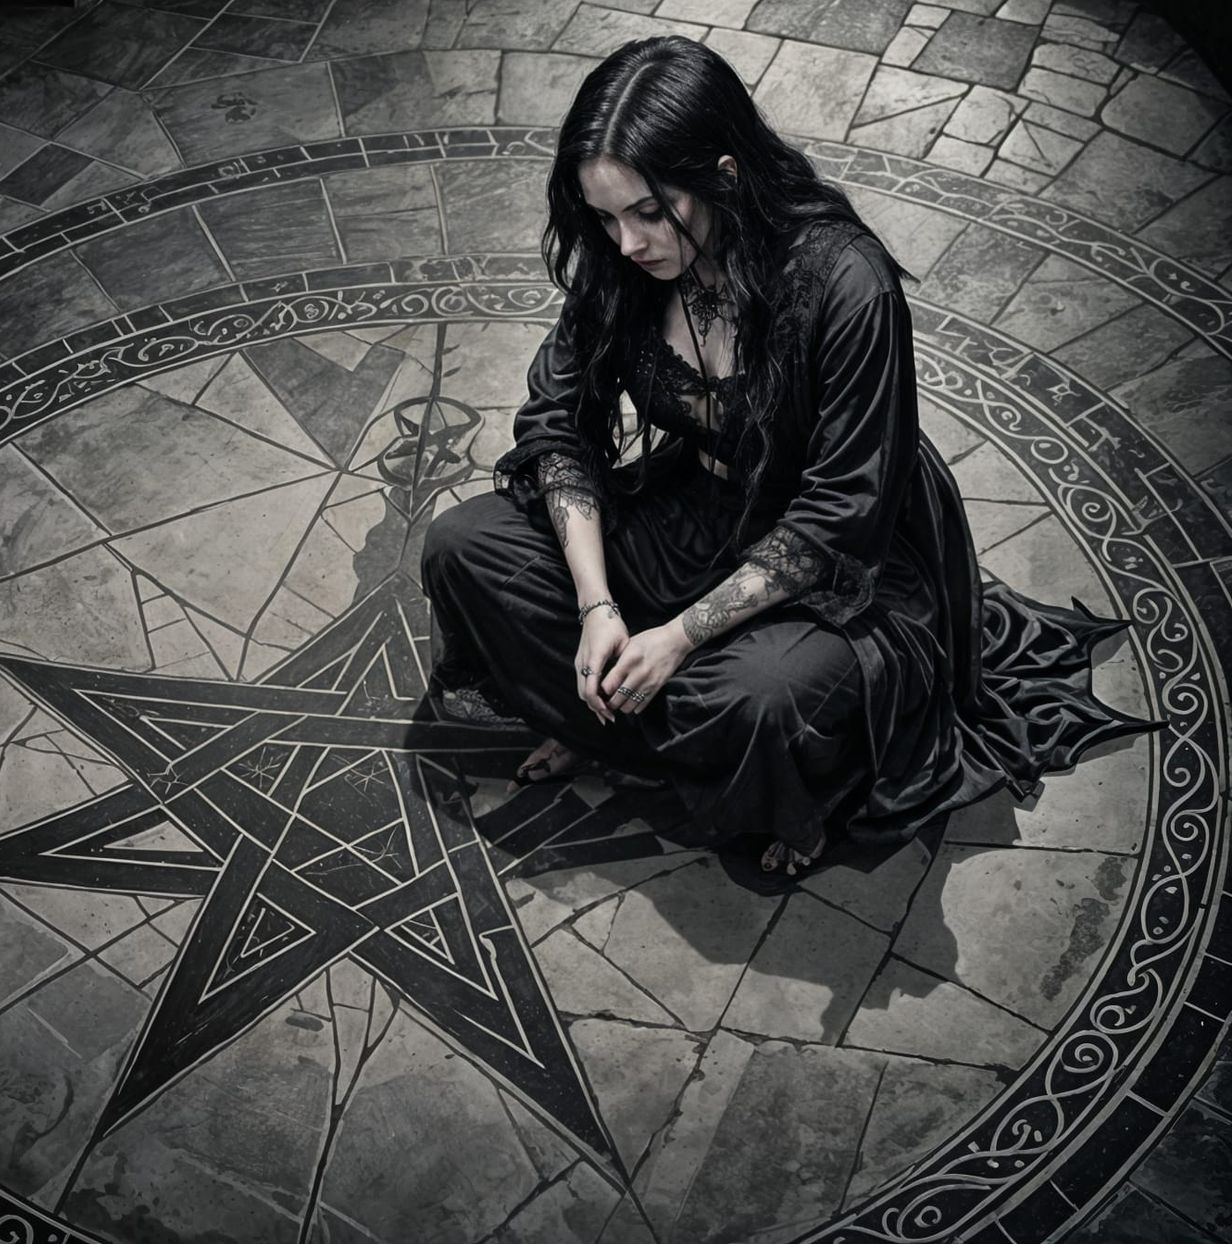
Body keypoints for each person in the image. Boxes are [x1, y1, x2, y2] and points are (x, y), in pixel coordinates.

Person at [419, 36, 1151, 879]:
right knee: (466, 548)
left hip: (844, 558)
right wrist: (596, 607)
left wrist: (679, 638)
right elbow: (560, 428)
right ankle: (631, 727)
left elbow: (841, 513)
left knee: (757, 697)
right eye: (605, 217)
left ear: (724, 178)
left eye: (649, 213)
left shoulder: (845, 281)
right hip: (697, 508)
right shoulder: (624, 266)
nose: (625, 243)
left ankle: (737, 760)